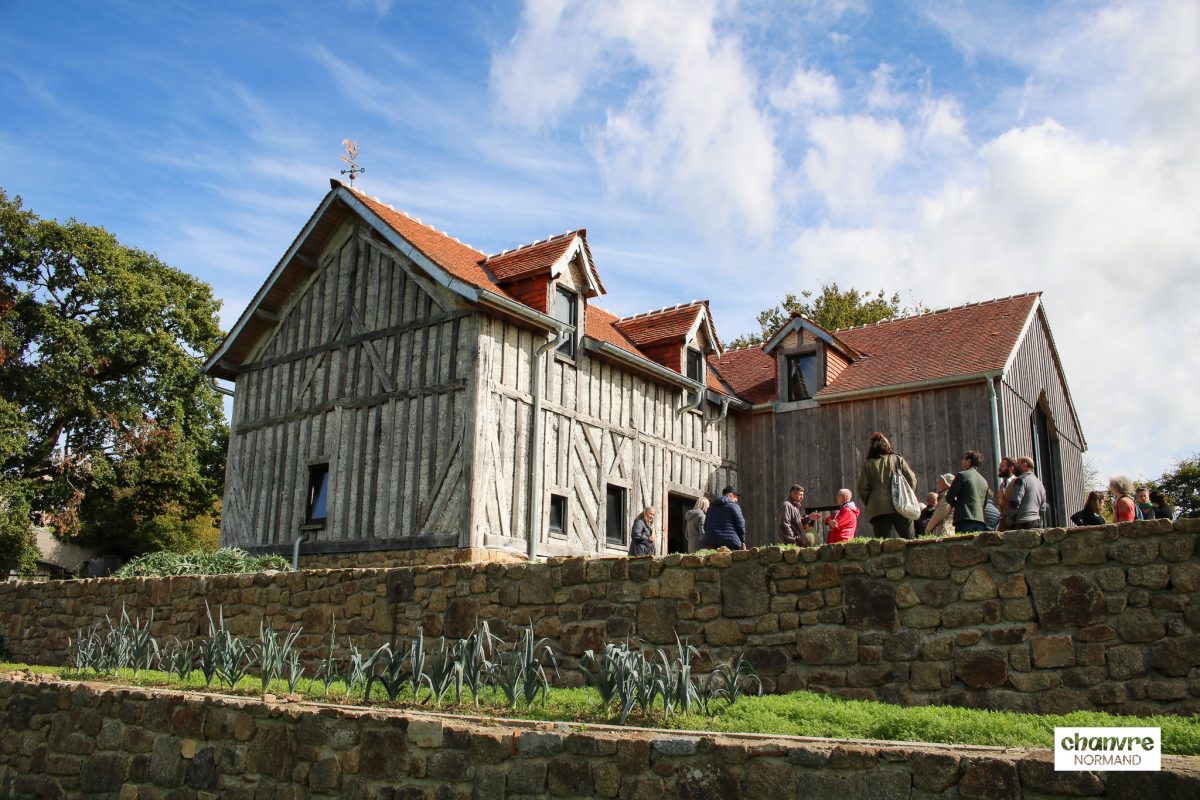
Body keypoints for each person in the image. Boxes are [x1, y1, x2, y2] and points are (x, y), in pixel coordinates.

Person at [855, 432, 918, 538]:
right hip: (901, 504)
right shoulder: (898, 460)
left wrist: (870, 501)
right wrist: (906, 495)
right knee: (910, 540)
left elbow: (861, 488)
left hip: (878, 508)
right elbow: (912, 479)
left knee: (882, 545)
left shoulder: (868, 464)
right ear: (887, 446)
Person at [945, 451, 990, 533]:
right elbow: (984, 504)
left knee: (964, 544)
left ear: (969, 461)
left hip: (964, 519)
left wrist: (958, 504)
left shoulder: (962, 475)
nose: (962, 461)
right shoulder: (984, 481)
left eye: (964, 459)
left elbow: (949, 497)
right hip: (980, 521)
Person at [1004, 456, 1047, 530]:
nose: (1014, 466)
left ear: (1024, 464)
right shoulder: (1040, 483)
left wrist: (1008, 519)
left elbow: (1015, 502)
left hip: (1021, 524)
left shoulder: (1021, 480)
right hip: (1036, 524)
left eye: (1017, 463)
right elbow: (1043, 508)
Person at [703, 486, 747, 550]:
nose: (736, 499)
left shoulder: (710, 508)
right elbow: (741, 525)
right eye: (735, 496)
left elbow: (705, 526)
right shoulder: (734, 507)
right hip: (731, 543)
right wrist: (742, 541)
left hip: (712, 543)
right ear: (729, 495)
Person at [925, 473, 956, 538]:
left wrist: (928, 529)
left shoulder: (947, 496)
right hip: (949, 530)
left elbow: (939, 514)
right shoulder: (949, 494)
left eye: (941, 480)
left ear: (946, 483)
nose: (939, 481)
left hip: (944, 531)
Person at [996, 456, 1018, 531]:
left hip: (1015, 522)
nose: (999, 468)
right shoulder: (1002, 485)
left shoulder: (1017, 482)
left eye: (1002, 466)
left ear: (1011, 468)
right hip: (1004, 521)